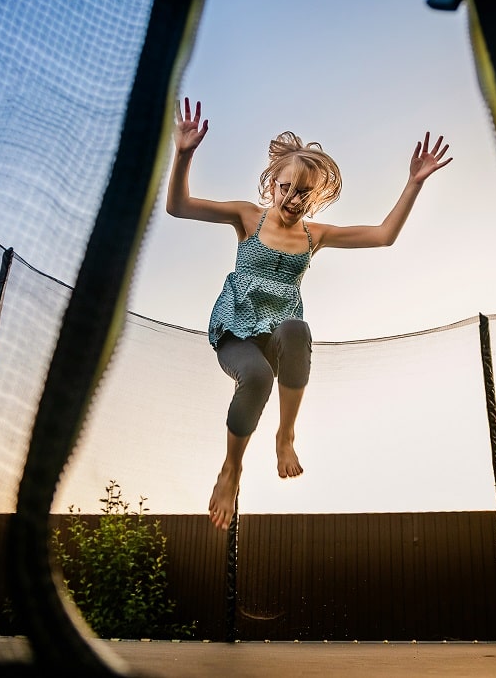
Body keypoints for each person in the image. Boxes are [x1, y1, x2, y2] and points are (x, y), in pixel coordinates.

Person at [166, 97, 452, 530]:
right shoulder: (248, 217)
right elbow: (179, 206)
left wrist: (413, 183)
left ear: (315, 195)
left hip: (279, 334)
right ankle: (232, 469)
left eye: (304, 192)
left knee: (297, 329)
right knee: (258, 376)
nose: (293, 198)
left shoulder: (315, 234)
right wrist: (183, 155)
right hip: (236, 332)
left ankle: (285, 435)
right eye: (286, 188)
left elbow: (383, 235)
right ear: (272, 184)